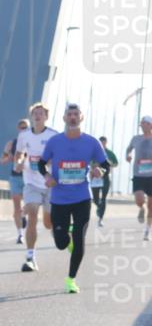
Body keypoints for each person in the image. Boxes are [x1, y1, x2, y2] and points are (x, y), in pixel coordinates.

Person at [38, 103, 110, 293]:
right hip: (59, 198)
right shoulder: (54, 141)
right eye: (69, 114)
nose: (72, 117)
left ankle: (71, 280)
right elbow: (40, 163)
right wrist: (47, 176)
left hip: (82, 197)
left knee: (79, 238)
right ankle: (66, 235)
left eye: (76, 114)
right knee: (61, 244)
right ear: (64, 118)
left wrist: (101, 171)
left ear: (81, 117)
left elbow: (106, 165)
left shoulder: (91, 142)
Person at [15, 103, 58, 271]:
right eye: (35, 113)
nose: (38, 116)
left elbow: (60, 155)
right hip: (31, 182)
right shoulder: (24, 135)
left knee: (48, 223)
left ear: (46, 117)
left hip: (50, 183)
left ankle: (55, 228)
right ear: (31, 117)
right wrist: (19, 162)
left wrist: (49, 161)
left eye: (41, 113)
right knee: (32, 214)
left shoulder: (53, 135)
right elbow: (19, 153)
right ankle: (30, 257)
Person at [0, 119, 30, 242]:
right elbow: (2, 160)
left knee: (29, 205)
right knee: (16, 206)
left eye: (25, 128)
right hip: (15, 177)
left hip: (29, 178)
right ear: (18, 129)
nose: (23, 130)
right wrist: (9, 158)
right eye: (21, 128)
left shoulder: (33, 143)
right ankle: (20, 234)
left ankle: (23, 214)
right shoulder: (11, 144)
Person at [125, 115, 152, 240]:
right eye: (141, 123)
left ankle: (147, 230)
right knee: (139, 200)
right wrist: (128, 155)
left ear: (150, 125)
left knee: (151, 206)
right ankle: (142, 208)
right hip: (138, 174)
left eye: (144, 123)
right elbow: (128, 149)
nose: (141, 125)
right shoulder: (136, 138)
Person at [93, 136, 118, 227]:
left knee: (103, 198)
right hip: (95, 178)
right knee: (95, 199)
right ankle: (99, 207)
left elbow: (116, 163)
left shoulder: (110, 153)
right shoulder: (94, 152)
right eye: (100, 143)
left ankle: (100, 218)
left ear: (106, 143)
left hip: (105, 178)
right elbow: (88, 163)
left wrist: (109, 164)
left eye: (104, 143)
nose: (102, 145)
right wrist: (94, 166)